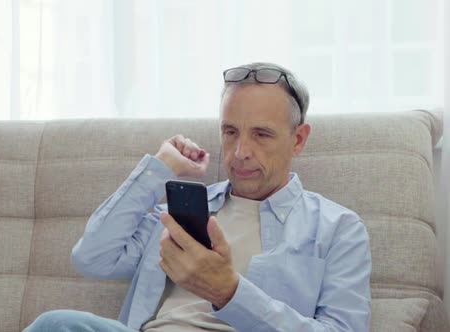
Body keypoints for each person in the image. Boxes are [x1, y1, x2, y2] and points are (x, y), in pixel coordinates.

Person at [23, 62, 372, 332]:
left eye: (262, 134)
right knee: (57, 325)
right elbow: (91, 257)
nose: (240, 152)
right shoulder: (183, 210)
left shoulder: (338, 229)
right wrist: (158, 169)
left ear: (298, 139)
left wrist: (229, 292)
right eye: (230, 132)